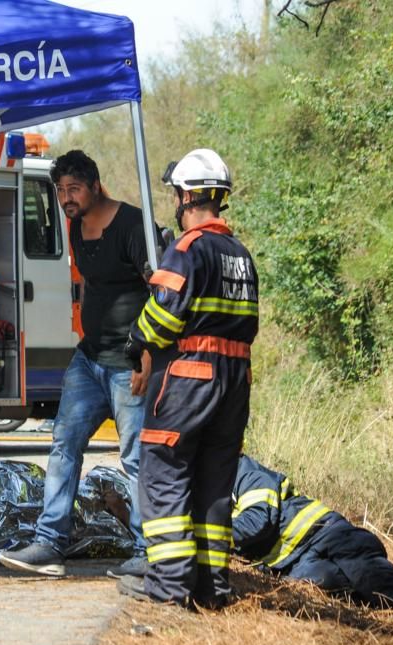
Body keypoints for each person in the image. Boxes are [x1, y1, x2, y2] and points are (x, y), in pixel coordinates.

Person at [0, 149, 164, 578]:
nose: (66, 197)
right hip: (89, 359)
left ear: (95, 185)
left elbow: (162, 293)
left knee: (135, 457)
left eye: (73, 189)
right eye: (60, 190)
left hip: (130, 364)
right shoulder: (73, 226)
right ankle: (50, 544)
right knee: (64, 445)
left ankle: (149, 553)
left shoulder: (132, 226)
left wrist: (148, 354)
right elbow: (90, 285)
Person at [116, 148, 258, 610]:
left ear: (185, 196)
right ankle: (211, 588)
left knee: (163, 469)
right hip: (235, 382)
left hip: (190, 377)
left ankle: (169, 587)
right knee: (214, 482)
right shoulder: (241, 255)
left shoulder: (187, 248)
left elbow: (164, 319)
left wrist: (136, 340)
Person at [231, 454, 393, 637]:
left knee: (369, 577)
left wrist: (210, 536)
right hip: (296, 563)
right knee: (334, 591)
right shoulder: (207, 496)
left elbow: (257, 521)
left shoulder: (244, 471)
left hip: (326, 534)